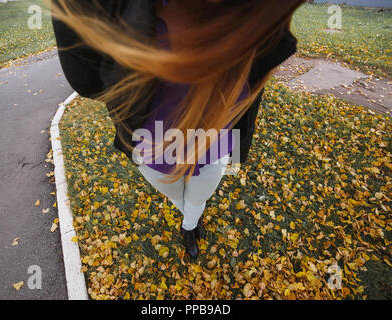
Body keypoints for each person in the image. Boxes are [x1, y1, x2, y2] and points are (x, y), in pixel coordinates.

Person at [51, 0, 305, 259]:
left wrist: (238, 151)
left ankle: (189, 226)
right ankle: (190, 219)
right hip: (154, 154)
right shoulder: (118, 14)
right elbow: (87, 81)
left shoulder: (261, 23)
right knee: (179, 197)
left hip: (213, 150)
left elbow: (248, 98)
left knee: (197, 199)